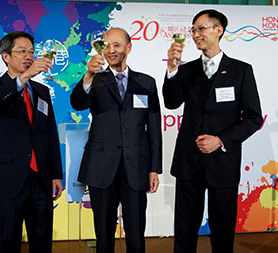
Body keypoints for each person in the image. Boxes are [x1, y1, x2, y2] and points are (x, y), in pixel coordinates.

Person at [162, 9, 263, 252]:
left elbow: (253, 118)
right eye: (193, 30)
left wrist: (220, 140)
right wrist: (172, 68)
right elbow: (171, 102)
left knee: (222, 229)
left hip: (223, 163)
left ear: (219, 30)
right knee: (185, 229)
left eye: (201, 28)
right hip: (189, 162)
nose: (196, 34)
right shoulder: (186, 71)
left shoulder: (241, 71)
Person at [70, 27, 162, 252]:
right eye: (106, 45)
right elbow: (77, 103)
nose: (111, 50)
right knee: (103, 235)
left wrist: (154, 169)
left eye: (117, 45)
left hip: (137, 168)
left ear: (128, 48)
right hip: (101, 167)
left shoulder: (146, 82)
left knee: (136, 234)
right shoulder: (95, 80)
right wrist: (88, 76)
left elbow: (155, 128)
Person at [0, 31, 63, 253]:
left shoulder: (42, 91)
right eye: (22, 51)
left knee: (42, 241)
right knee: (9, 241)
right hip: (9, 178)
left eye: (31, 52)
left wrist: (56, 174)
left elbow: (50, 134)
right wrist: (23, 78)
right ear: (6, 56)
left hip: (41, 179)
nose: (28, 56)